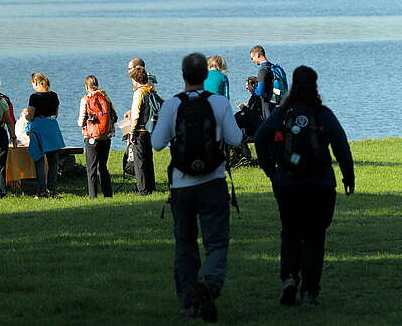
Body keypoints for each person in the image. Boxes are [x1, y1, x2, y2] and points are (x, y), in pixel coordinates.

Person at [151, 53, 243, 322]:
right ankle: (208, 283)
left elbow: (157, 144)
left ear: (183, 75)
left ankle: (189, 301)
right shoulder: (219, 102)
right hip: (213, 181)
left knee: (185, 243)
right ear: (206, 75)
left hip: (182, 185)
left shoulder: (172, 105)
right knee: (216, 242)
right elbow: (236, 139)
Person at [254, 66, 355, 307]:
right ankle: (309, 292)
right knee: (315, 236)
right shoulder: (322, 114)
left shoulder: (282, 113)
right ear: (315, 85)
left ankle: (289, 279)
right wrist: (348, 177)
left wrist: (272, 171)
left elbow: (259, 138)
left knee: (290, 233)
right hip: (320, 183)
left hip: (288, 183)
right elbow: (341, 145)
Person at [24, 73, 65, 198]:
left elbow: (30, 117)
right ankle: (52, 190)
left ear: (36, 82)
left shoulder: (34, 97)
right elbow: (56, 113)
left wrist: (26, 115)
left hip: (39, 129)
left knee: (39, 160)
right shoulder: (54, 95)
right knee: (53, 161)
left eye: (32, 84)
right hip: (52, 127)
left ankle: (42, 190)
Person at [77, 75, 116, 199]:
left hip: (91, 136)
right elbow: (114, 116)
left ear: (86, 86)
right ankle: (108, 194)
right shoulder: (106, 97)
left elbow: (82, 120)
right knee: (103, 166)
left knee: (91, 168)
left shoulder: (85, 99)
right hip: (106, 136)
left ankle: (93, 195)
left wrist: (80, 123)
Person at [129, 66, 160, 196]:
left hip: (140, 130)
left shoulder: (139, 93)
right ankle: (151, 186)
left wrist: (132, 131)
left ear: (135, 79)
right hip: (149, 130)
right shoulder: (151, 91)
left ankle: (143, 189)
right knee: (148, 159)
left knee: (139, 161)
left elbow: (136, 114)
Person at [250, 45, 276, 120]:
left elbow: (260, 92)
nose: (252, 61)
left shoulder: (262, 71)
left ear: (257, 55)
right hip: (276, 102)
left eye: (252, 58)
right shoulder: (272, 66)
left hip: (268, 104)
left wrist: (252, 89)